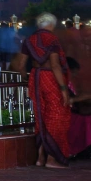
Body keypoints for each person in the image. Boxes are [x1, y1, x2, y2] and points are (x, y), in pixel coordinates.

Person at [14, 13, 72, 168]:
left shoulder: (29, 40)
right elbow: (55, 65)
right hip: (50, 78)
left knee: (40, 115)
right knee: (56, 115)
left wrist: (26, 79)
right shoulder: (52, 39)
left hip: (35, 77)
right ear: (51, 25)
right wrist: (64, 89)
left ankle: (40, 158)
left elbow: (20, 65)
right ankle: (52, 159)